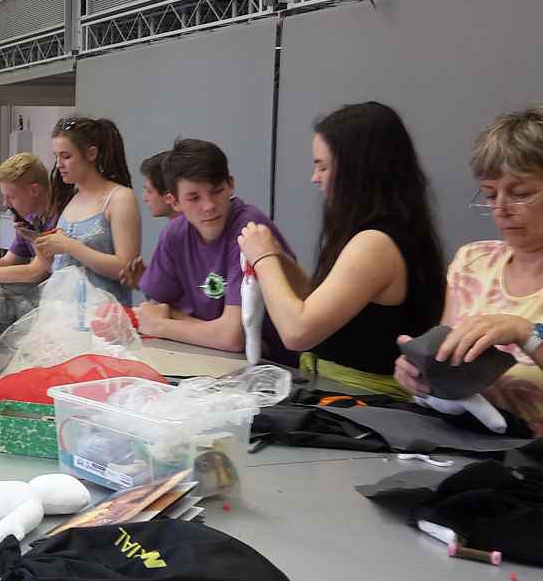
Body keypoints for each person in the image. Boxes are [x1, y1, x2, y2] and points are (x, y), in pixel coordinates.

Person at [237, 102, 446, 395]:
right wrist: (279, 259)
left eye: (323, 166)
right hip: (342, 394)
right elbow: (317, 303)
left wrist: (263, 257)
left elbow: (297, 332)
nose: (315, 177)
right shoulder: (387, 231)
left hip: (364, 404)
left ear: (356, 171)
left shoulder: (375, 244)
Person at [395, 106, 543, 435]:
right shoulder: (473, 262)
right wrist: (420, 373)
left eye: (520, 194)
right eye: (490, 194)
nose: (501, 208)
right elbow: (447, 357)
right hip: (467, 443)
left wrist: (526, 334)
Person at [135, 138, 294, 356]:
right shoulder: (174, 234)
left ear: (230, 184)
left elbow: (232, 337)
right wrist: (203, 329)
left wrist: (161, 326)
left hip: (270, 363)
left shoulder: (248, 229)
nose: (209, 206)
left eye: (217, 191)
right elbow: (153, 308)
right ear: (174, 202)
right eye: (194, 198)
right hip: (208, 354)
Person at [0, 117, 141, 304]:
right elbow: (59, 269)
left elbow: (125, 268)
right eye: (56, 156)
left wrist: (70, 246)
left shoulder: (120, 199)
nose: (59, 164)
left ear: (91, 153)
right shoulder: (72, 200)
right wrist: (42, 247)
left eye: (66, 156)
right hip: (62, 310)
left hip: (103, 313)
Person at [118, 150, 180, 285]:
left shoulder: (177, 234)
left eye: (149, 191)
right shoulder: (174, 232)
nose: (144, 197)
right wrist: (147, 279)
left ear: (169, 196)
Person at [0, 153, 55, 271]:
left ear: (34, 190)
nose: (6, 204)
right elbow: (9, 262)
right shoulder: (29, 219)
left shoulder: (60, 218)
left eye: (11, 197)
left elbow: (35, 273)